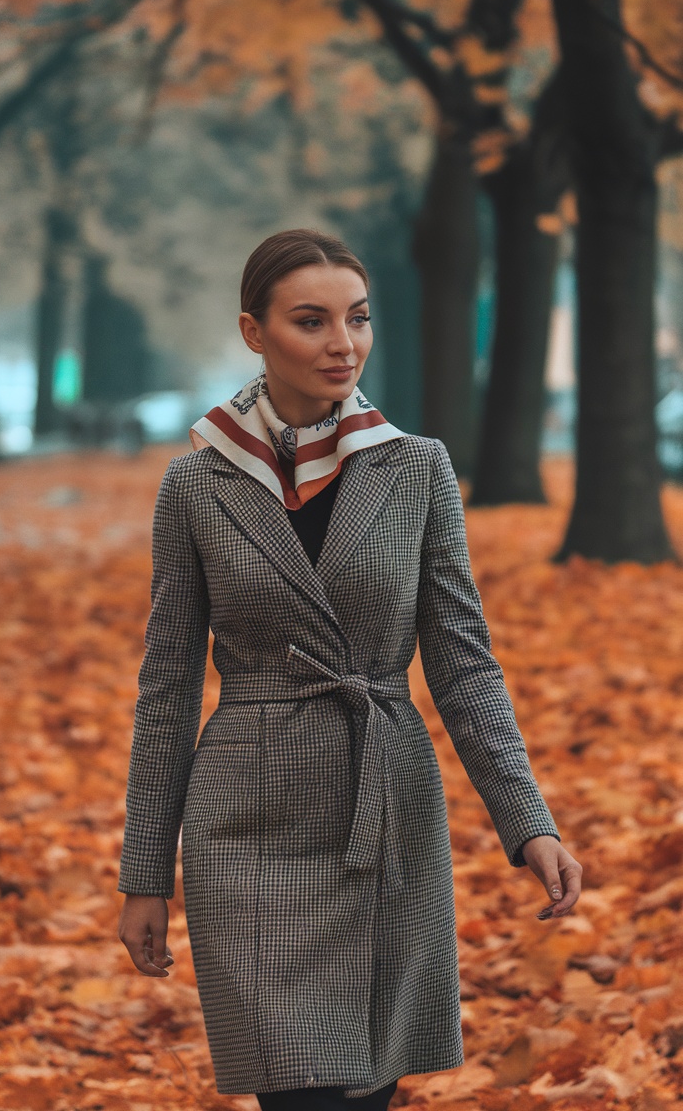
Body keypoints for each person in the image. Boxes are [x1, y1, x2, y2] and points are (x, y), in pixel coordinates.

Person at [118, 229, 582, 1111]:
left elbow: (463, 660)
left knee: (368, 1091)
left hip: (386, 806)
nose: (344, 343)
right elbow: (169, 685)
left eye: (358, 319)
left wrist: (530, 823)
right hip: (245, 823)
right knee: (294, 1090)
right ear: (254, 333)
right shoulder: (194, 484)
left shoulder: (417, 469)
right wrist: (145, 872)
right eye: (311, 320)